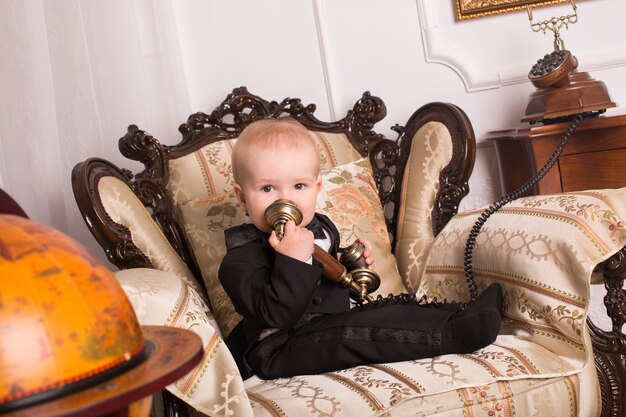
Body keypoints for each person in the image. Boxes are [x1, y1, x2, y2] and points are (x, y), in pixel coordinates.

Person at [219, 118, 502, 380]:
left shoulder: (321, 228)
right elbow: (279, 315)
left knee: (382, 311)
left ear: (317, 188)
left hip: (331, 322)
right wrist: (292, 259)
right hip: (280, 348)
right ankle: (453, 334)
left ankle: (457, 314)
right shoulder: (240, 259)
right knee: (352, 334)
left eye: (299, 186)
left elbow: (323, 279)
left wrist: (348, 264)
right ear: (242, 198)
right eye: (268, 189)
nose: (286, 199)